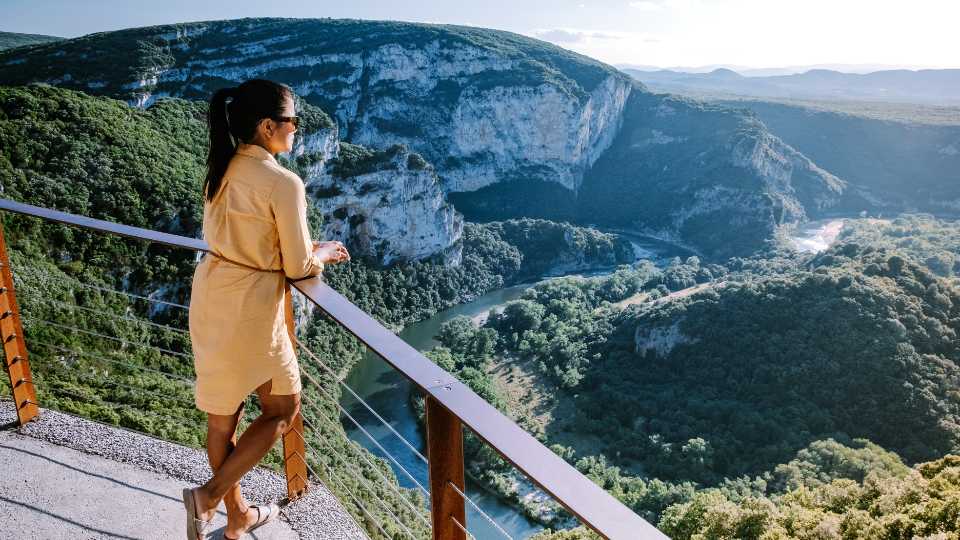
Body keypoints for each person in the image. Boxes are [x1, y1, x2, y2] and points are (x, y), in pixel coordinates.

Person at [182, 79, 349, 540]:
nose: (298, 129)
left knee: (223, 416)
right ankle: (211, 495)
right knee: (282, 410)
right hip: (251, 309)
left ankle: (236, 519)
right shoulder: (283, 182)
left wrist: (301, 246)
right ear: (267, 125)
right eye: (293, 121)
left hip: (212, 294)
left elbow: (252, 241)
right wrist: (324, 254)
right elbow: (297, 267)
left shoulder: (221, 166)